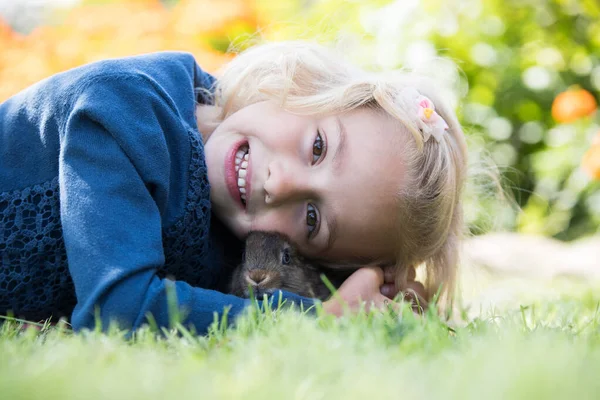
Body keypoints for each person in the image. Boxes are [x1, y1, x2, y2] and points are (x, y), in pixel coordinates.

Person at [0, 41, 467, 333]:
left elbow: (285, 279)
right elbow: (117, 309)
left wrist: (373, 297)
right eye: (318, 147)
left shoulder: (238, 232)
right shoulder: (123, 108)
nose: (280, 183)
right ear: (303, 86)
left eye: (312, 217)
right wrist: (320, 320)